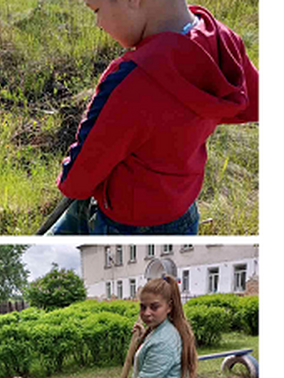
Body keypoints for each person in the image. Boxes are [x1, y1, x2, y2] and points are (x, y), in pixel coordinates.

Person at [50, 0, 258, 235]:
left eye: (96, 10)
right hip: (183, 214)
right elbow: (253, 105)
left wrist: (68, 180)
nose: (98, 24)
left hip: (126, 223)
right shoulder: (222, 40)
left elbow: (80, 175)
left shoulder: (131, 81)